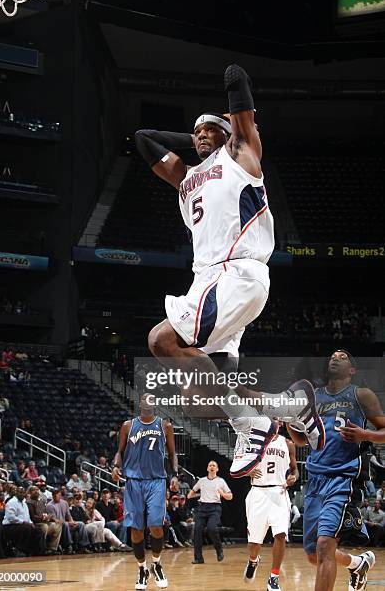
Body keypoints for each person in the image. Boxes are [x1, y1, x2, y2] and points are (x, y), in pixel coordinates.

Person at [135, 63, 325, 478]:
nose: (202, 134)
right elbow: (143, 139)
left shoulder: (241, 155)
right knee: (200, 396)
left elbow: (239, 89)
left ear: (228, 135)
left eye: (210, 130)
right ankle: (291, 406)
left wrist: (227, 113)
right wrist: (197, 134)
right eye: (196, 131)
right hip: (209, 282)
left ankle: (250, 424)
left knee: (161, 340)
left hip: (235, 274)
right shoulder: (186, 177)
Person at [288, 350, 385, 591]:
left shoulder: (362, 395)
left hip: (344, 478)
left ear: (352, 369)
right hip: (316, 479)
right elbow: (301, 440)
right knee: (313, 554)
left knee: (324, 547)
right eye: (333, 355)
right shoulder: (315, 398)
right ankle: (357, 563)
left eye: (342, 357)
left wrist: (366, 435)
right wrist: (290, 422)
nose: (335, 357)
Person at [112, 394, 178, 590]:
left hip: (157, 480)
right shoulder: (128, 426)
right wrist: (116, 466)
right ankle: (142, 569)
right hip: (133, 482)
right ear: (139, 403)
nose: (149, 402)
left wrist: (175, 475)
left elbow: (173, 454)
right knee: (137, 529)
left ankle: (156, 564)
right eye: (145, 399)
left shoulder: (165, 426)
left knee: (156, 526)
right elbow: (120, 452)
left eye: (152, 399)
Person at [243, 426, 298, 590]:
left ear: (279, 423)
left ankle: (274, 577)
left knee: (280, 535)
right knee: (253, 545)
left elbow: (295, 469)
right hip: (258, 492)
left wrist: (294, 476)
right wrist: (248, 472)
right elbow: (238, 466)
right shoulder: (252, 442)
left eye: (276, 418)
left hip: (279, 492)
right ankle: (254, 560)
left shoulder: (287, 443)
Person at [187, 460, 232, 564]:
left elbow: (230, 496)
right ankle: (198, 558)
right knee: (197, 530)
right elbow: (190, 494)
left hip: (215, 508)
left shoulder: (221, 481)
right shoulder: (202, 481)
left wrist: (222, 494)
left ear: (217, 469)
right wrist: (198, 494)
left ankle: (219, 548)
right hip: (202, 507)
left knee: (212, 528)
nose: (212, 467)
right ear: (207, 468)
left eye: (214, 465)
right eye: (210, 465)